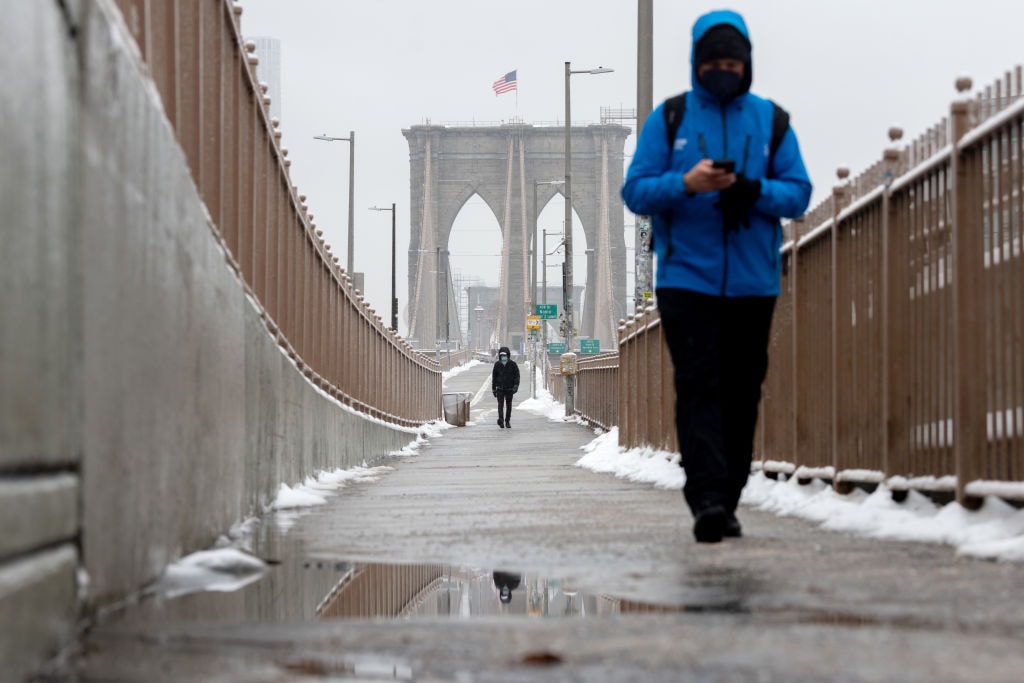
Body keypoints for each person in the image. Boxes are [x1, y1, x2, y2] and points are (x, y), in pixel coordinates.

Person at [621, 9, 812, 543]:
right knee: (698, 385)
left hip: (754, 282)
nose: (723, 71)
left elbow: (798, 194)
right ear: (697, 64)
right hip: (686, 280)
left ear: (746, 64)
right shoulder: (672, 119)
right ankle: (706, 498)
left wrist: (751, 190)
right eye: (714, 64)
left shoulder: (771, 121)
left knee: (742, 391)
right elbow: (636, 192)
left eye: (732, 63)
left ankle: (725, 499)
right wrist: (688, 183)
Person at [491, 346, 519, 428]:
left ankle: (507, 421)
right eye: (502, 355)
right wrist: (493, 389)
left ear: (508, 355)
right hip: (500, 389)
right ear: (499, 356)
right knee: (500, 405)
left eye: (505, 355)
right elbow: (494, 377)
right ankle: (501, 420)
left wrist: (515, 386)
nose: (503, 357)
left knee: (509, 405)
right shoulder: (497, 365)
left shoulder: (513, 364)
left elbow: (517, 376)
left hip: (510, 389)